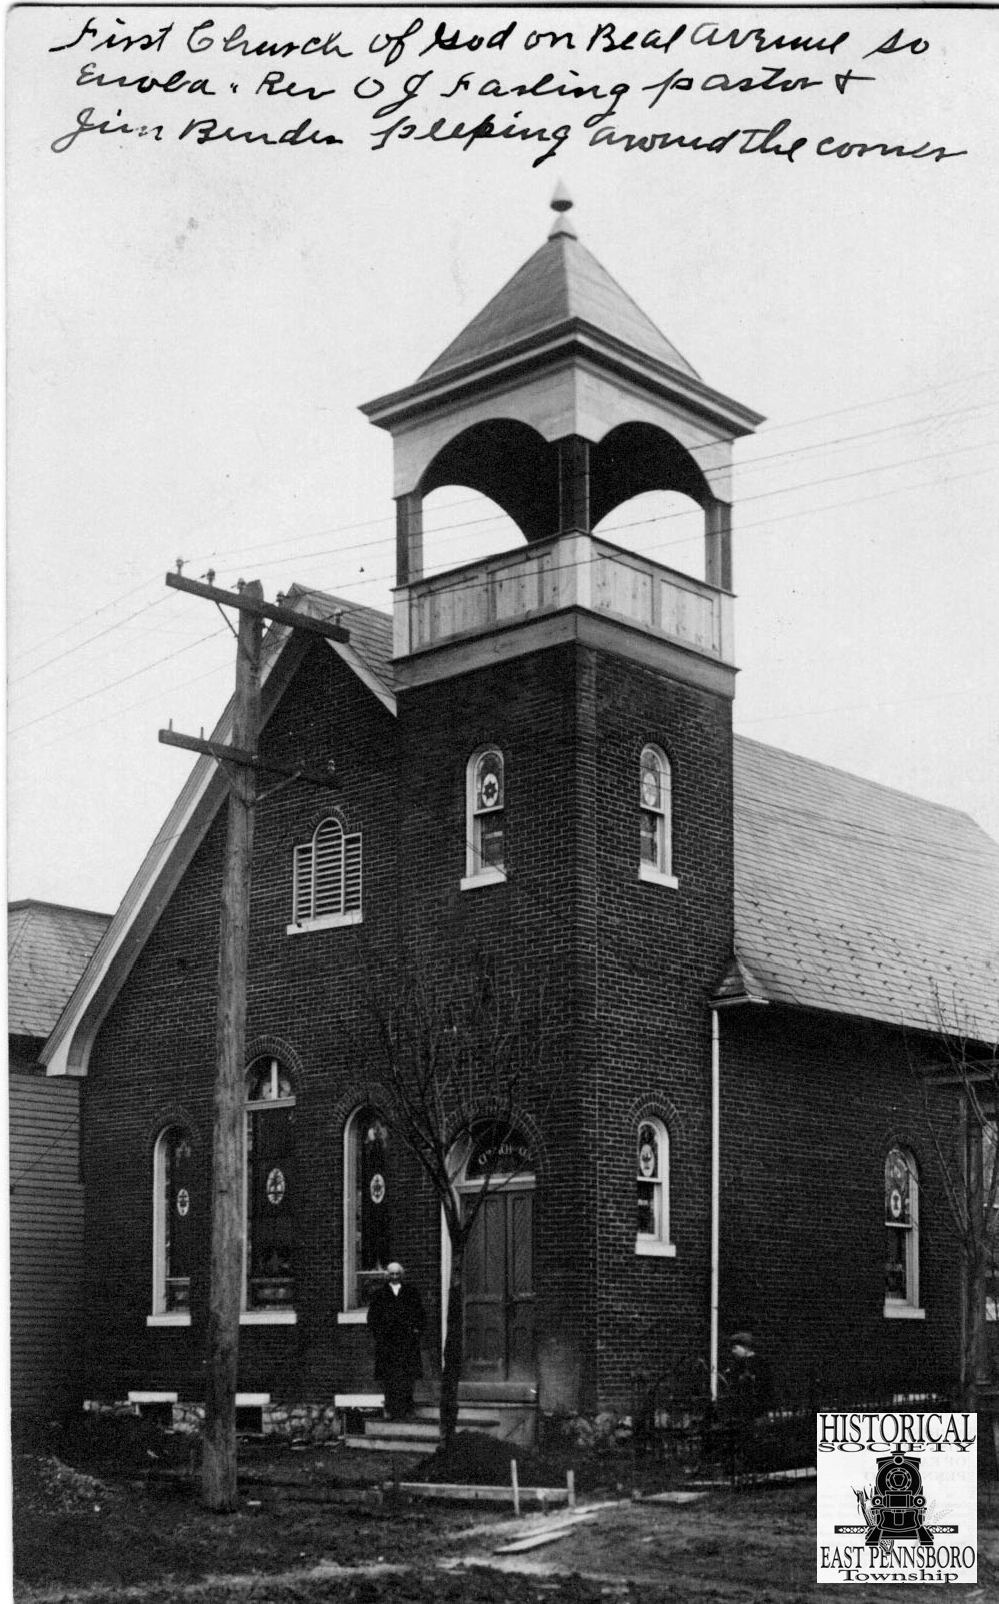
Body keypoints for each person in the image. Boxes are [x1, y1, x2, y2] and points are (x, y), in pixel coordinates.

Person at [367, 1261, 426, 1420]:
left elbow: (420, 1314)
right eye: (392, 1274)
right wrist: (380, 1335)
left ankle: (408, 1408)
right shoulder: (380, 1294)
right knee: (389, 1377)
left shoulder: (411, 1292)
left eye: (397, 1274)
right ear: (388, 1276)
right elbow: (372, 1318)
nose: (394, 1277)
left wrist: (416, 1331)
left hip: (407, 1342)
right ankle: (390, 1409)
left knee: (407, 1376)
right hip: (388, 1344)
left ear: (401, 1275)